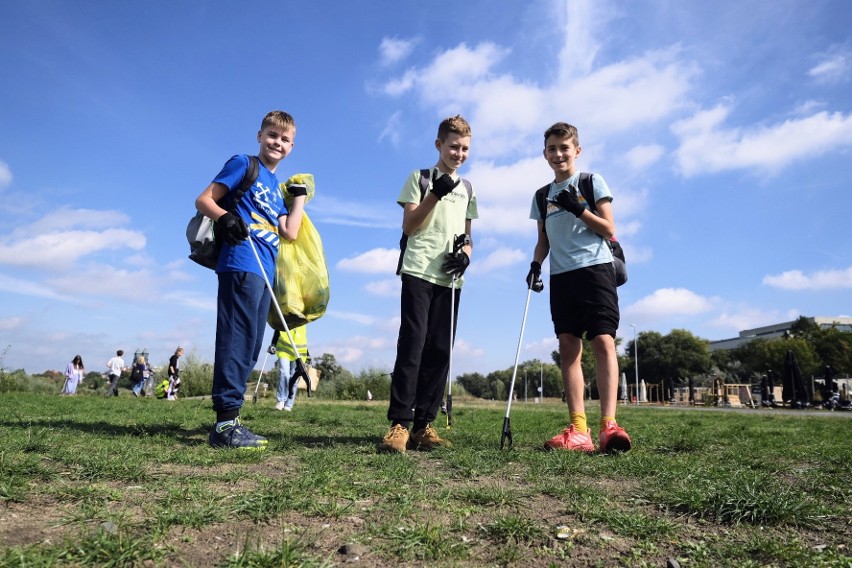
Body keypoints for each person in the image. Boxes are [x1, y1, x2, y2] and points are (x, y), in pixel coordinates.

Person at [195, 110, 305, 449]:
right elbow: (204, 200)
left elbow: (290, 232)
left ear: (292, 146)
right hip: (241, 262)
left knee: (252, 344)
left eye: (285, 139)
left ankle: (232, 420)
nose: (278, 143)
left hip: (265, 270)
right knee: (237, 340)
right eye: (272, 135)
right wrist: (226, 217)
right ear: (260, 136)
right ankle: (224, 424)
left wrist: (298, 197)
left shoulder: (276, 187)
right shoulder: (244, 164)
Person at [526, 122, 631, 454]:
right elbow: (542, 240)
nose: (558, 154)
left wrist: (579, 209)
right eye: (552, 149)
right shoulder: (542, 196)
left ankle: (609, 427)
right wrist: (535, 265)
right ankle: (579, 430)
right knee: (569, 348)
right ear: (545, 154)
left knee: (603, 341)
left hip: (595, 269)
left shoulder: (590, 181)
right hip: (562, 276)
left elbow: (608, 228)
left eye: (564, 148)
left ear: (577, 151)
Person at [382, 115, 478, 453]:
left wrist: (465, 255)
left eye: (465, 148)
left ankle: (424, 425)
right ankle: (399, 425)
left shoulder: (468, 189)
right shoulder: (419, 178)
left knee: (439, 349)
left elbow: (468, 236)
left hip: (450, 276)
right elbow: (409, 225)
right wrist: (435, 194)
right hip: (419, 269)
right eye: (453, 146)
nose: (459, 153)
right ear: (439, 145)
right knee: (413, 344)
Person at [274, 326, 308, 411]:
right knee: (284, 373)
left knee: (294, 378)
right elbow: (278, 330)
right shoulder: (286, 315)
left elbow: (302, 338)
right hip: (284, 350)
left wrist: (308, 354)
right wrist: (273, 344)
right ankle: (281, 400)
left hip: (299, 353)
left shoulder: (303, 320)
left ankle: (288, 405)